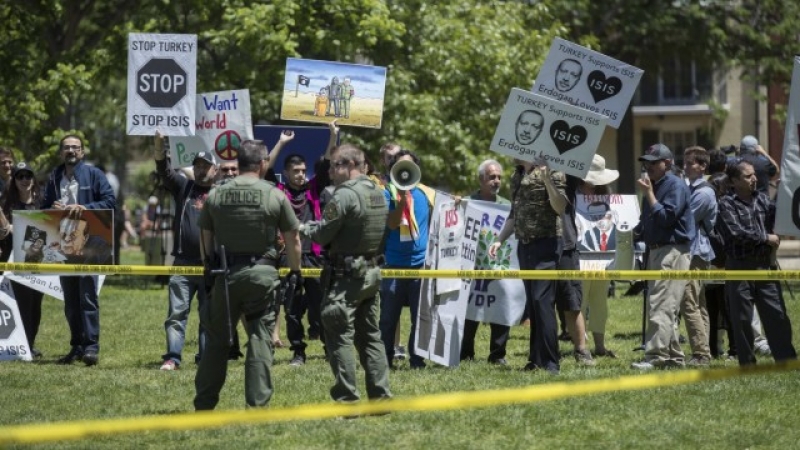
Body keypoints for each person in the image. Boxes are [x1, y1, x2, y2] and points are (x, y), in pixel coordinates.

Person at [195, 139, 302, 410]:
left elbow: (205, 236)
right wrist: (294, 271)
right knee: (259, 337)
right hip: (263, 274)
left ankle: (204, 404)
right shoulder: (274, 194)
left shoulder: (216, 194)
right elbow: (293, 237)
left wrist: (209, 267)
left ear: (239, 163)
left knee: (217, 340)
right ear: (263, 163)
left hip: (226, 274)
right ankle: (257, 405)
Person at [300, 143, 392, 403]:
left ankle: (347, 399)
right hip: (371, 273)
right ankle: (380, 395)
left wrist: (301, 228)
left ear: (350, 165)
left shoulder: (344, 195)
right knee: (371, 337)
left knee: (339, 337)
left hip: (345, 278)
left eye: (335, 165)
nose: (330, 171)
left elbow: (322, 233)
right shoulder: (377, 192)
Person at [43, 134, 116, 366]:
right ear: (61, 153)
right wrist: (51, 208)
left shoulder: (94, 174)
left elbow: (110, 201)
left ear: (82, 153)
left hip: (88, 244)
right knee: (70, 300)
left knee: (87, 296)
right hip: (62, 245)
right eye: (67, 148)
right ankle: (76, 346)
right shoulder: (54, 177)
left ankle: (91, 347)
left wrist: (85, 207)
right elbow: (43, 209)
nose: (71, 151)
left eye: (75, 147)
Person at [489, 157, 567, 374]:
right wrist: (500, 239)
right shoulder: (517, 175)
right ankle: (535, 360)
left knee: (543, 302)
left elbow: (560, 207)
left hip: (547, 242)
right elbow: (514, 214)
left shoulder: (553, 171)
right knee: (533, 304)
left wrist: (547, 180)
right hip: (525, 245)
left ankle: (551, 363)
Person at [716, 160, 797, 366]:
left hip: (764, 266)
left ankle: (786, 360)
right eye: (748, 176)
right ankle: (747, 364)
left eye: (754, 175)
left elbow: (780, 217)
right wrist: (765, 238)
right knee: (742, 320)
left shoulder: (762, 199)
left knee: (777, 315)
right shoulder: (726, 203)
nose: (754, 179)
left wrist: (783, 192)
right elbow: (735, 234)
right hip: (739, 267)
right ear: (734, 181)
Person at [268, 127, 335, 366]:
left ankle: (329, 348)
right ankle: (298, 352)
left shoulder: (314, 189)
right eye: (296, 171)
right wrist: (281, 142)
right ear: (285, 173)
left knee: (322, 307)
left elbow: (327, 163)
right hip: (288, 257)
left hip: (315, 257)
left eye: (303, 171)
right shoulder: (277, 191)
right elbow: (265, 167)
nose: (301, 175)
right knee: (292, 309)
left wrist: (333, 136)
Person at [154, 132, 218, 371]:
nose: (202, 170)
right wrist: (159, 147)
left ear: (215, 170)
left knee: (208, 318)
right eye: (198, 165)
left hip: (210, 266)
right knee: (176, 315)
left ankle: (205, 358)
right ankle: (172, 357)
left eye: (206, 166)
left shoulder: (222, 192)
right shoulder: (184, 187)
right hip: (182, 263)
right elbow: (165, 172)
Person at [630, 144, 695, 370]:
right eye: (645, 162)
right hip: (657, 250)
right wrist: (631, 231)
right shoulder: (656, 185)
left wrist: (648, 194)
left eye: (652, 162)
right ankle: (674, 359)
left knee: (661, 304)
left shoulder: (674, 185)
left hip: (672, 250)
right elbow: (648, 220)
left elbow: (667, 217)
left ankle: (655, 357)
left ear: (667, 163)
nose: (648, 167)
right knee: (665, 305)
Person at [380, 149, 435, 369]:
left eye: (409, 166)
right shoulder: (387, 193)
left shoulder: (426, 194)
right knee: (388, 319)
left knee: (419, 318)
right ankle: (384, 359)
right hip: (394, 265)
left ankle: (417, 359)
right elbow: (392, 224)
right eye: (400, 166)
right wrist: (401, 202)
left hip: (420, 265)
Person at [459, 159, 512, 365]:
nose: (496, 181)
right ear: (481, 179)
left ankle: (498, 355)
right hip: (472, 268)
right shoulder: (467, 203)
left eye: (499, 177)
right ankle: (466, 353)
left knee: (500, 308)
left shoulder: (507, 206)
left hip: (499, 267)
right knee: (470, 310)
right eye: (492, 177)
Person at [0, 162, 45, 357]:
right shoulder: (6, 203)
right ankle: (22, 346)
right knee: (21, 304)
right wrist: (7, 228)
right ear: (15, 180)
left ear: (34, 179)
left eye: (28, 176)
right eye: (20, 176)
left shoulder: (42, 202)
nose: (25, 180)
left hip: (39, 262)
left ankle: (30, 344)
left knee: (36, 304)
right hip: (13, 260)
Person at [579, 155, 620, 358]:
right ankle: (581, 345)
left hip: (603, 260)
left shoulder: (611, 201)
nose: (594, 189)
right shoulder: (573, 198)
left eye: (597, 186)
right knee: (580, 302)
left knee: (599, 304)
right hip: (581, 258)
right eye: (591, 185)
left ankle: (600, 346)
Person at [680, 146, 717, 367]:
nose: (685, 167)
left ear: (703, 166)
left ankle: (701, 353)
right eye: (684, 162)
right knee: (698, 303)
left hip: (696, 253)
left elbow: (686, 220)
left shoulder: (703, 193)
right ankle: (704, 351)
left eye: (690, 163)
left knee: (689, 302)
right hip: (698, 252)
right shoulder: (695, 189)